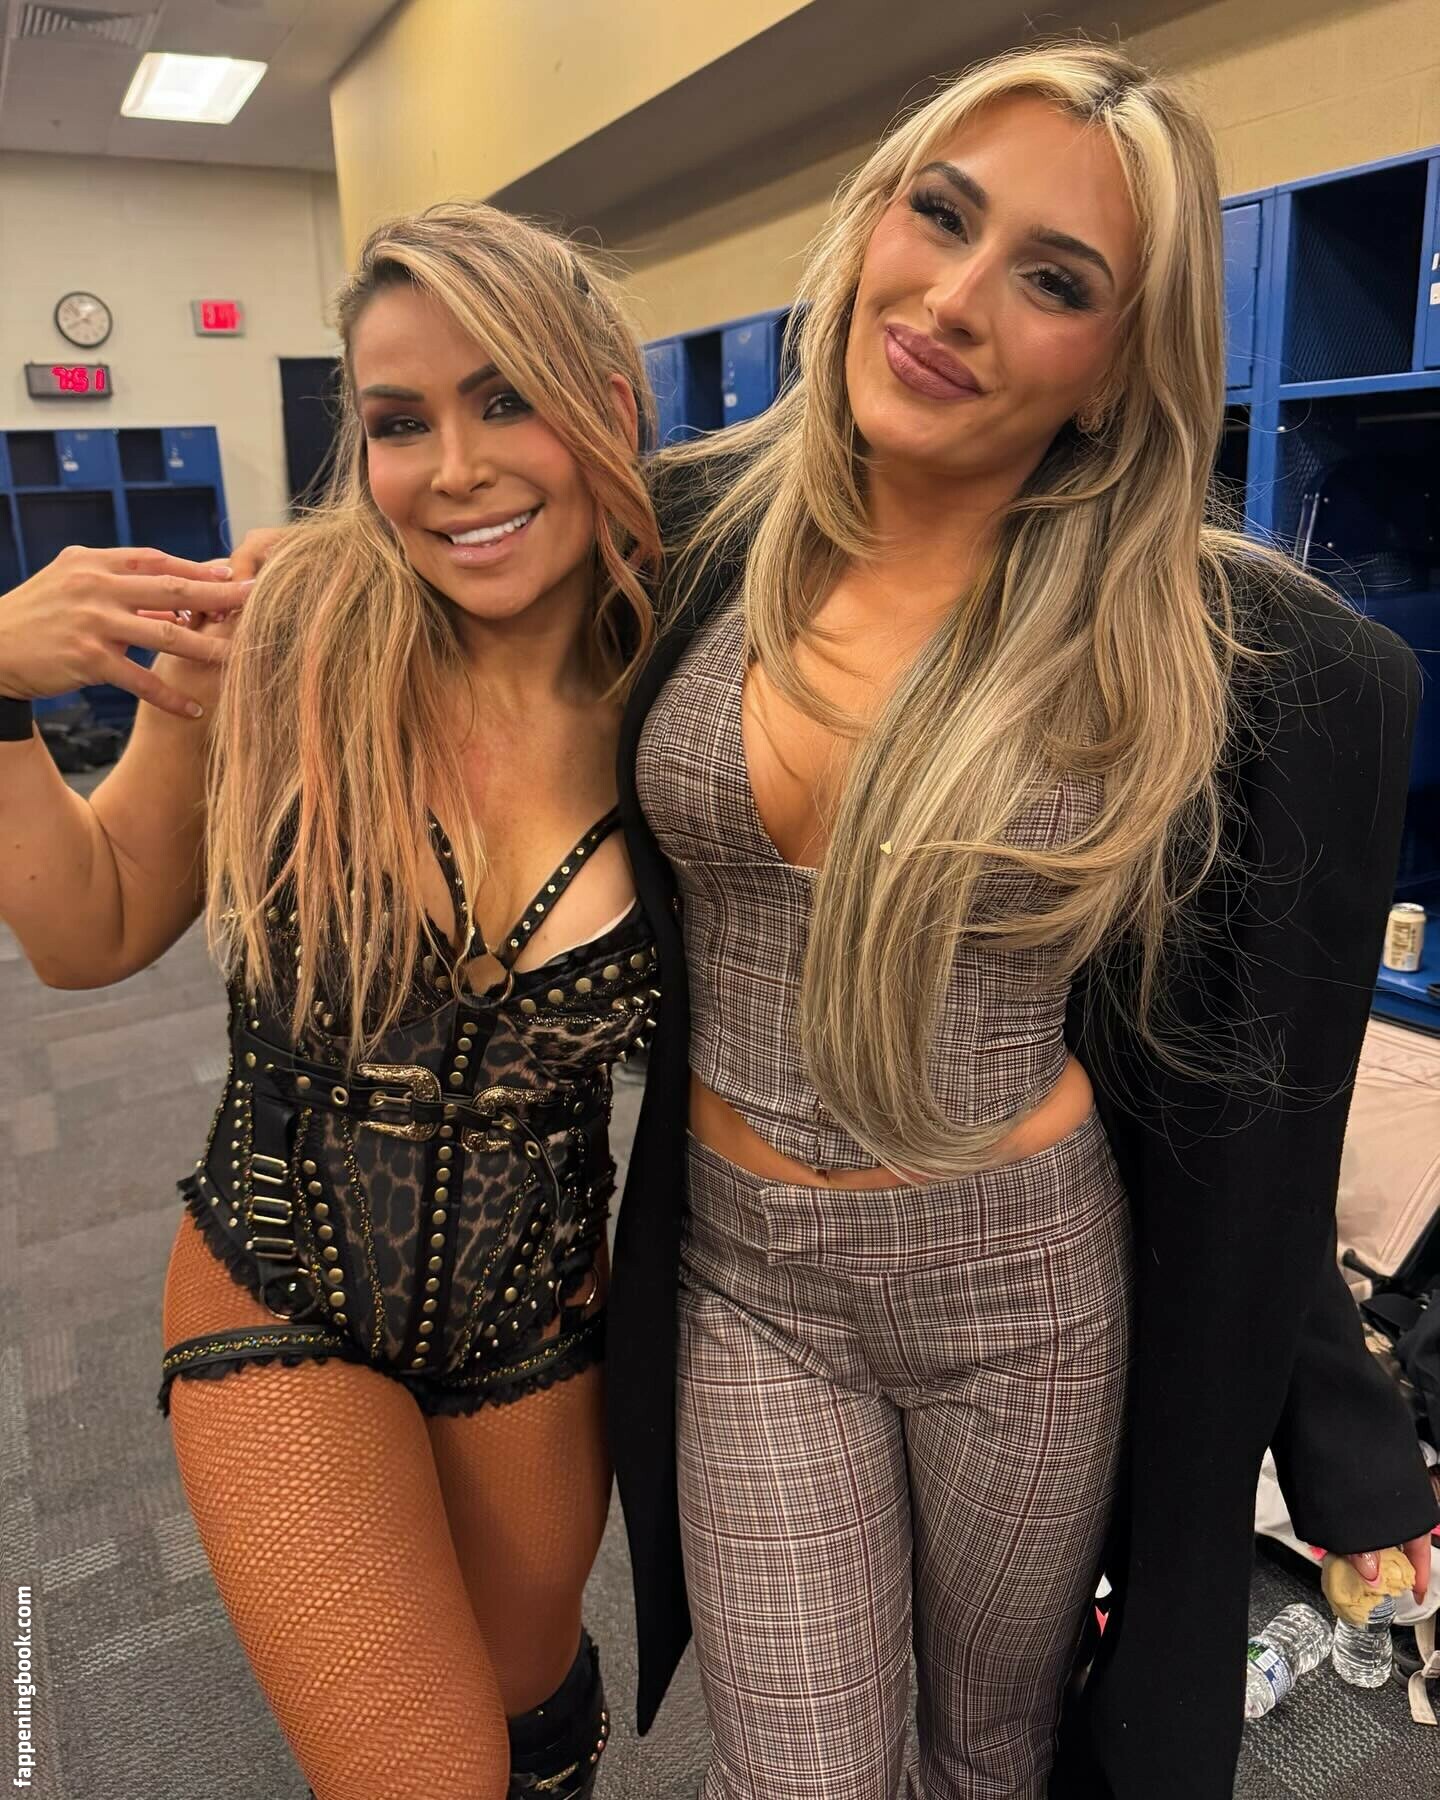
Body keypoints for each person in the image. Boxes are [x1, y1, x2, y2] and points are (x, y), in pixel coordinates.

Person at [605, 41, 1439, 1800]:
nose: (954, 299)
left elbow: (1258, 1111)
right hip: (744, 1276)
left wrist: (1351, 1442)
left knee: (992, 1757)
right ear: (873, 219)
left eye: (1054, 281)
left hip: (1026, 1287)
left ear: (1117, 367)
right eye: (941, 214)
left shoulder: (1217, 663)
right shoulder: (690, 537)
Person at [0, 203, 662, 1800]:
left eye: (506, 399)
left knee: (532, 1710)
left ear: (607, 407)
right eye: (398, 422)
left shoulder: (685, 681)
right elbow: (92, 928)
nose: (455, 468)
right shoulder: (288, 635)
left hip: (538, 1306)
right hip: (278, 1277)